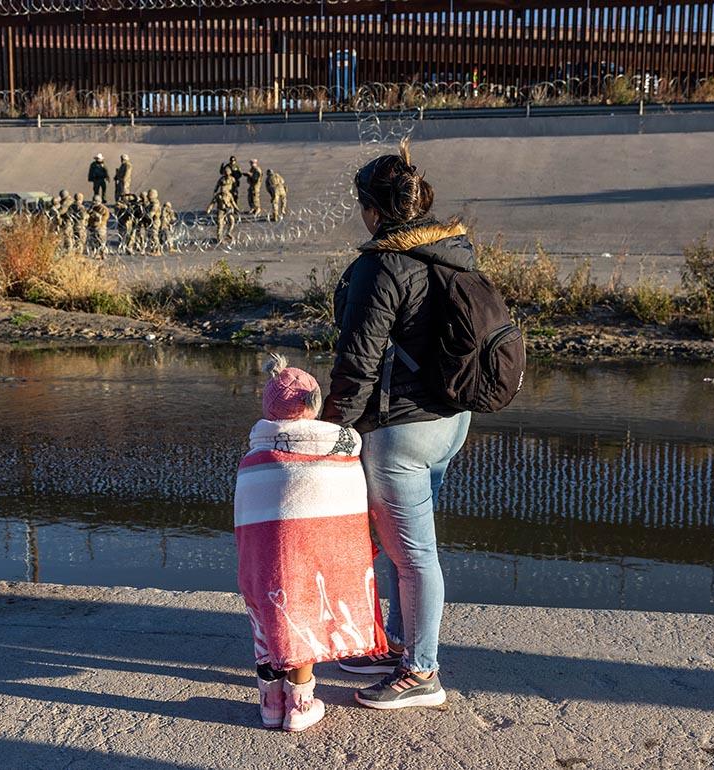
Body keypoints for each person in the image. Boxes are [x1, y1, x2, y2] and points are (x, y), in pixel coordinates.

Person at [322, 138, 473, 710]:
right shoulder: (453, 250)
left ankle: (422, 671)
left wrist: (333, 430)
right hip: (451, 421)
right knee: (402, 546)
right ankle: (399, 647)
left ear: (374, 208)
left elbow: (357, 360)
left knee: (413, 556)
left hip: (402, 431)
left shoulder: (382, 263)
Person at [234, 353, 386, 732]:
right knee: (301, 613)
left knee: (267, 614)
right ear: (314, 405)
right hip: (310, 555)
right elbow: (347, 506)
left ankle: (271, 704)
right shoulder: (342, 447)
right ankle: (300, 704)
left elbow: (245, 513)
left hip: (262, 555)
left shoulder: (254, 456)